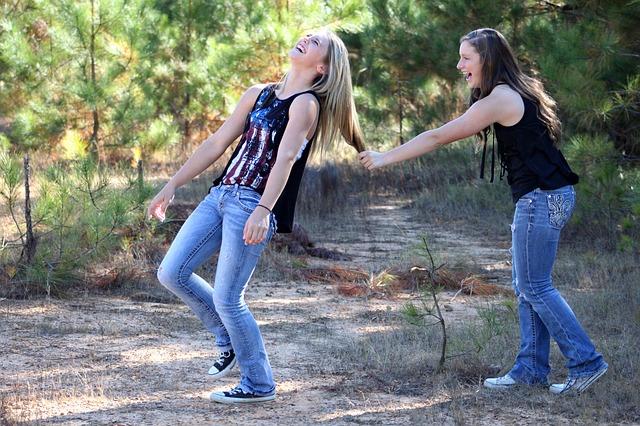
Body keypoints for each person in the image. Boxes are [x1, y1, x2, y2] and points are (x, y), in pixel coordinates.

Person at [359, 28, 607, 395]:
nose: (459, 65)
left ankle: (586, 362)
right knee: (527, 287)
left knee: (535, 286)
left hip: (540, 199)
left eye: (466, 58)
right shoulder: (516, 90)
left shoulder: (500, 98)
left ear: (487, 60)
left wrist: (384, 157)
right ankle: (530, 370)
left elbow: (438, 137)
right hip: (549, 196)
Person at [147, 29, 364, 404]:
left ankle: (259, 384)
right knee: (171, 272)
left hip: (252, 203)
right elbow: (217, 142)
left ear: (322, 68)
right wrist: (172, 184)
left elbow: (285, 159)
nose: (306, 38)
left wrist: (264, 210)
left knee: (229, 298)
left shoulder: (305, 105)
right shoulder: (258, 94)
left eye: (315, 42)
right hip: (220, 194)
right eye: (308, 35)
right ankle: (228, 338)